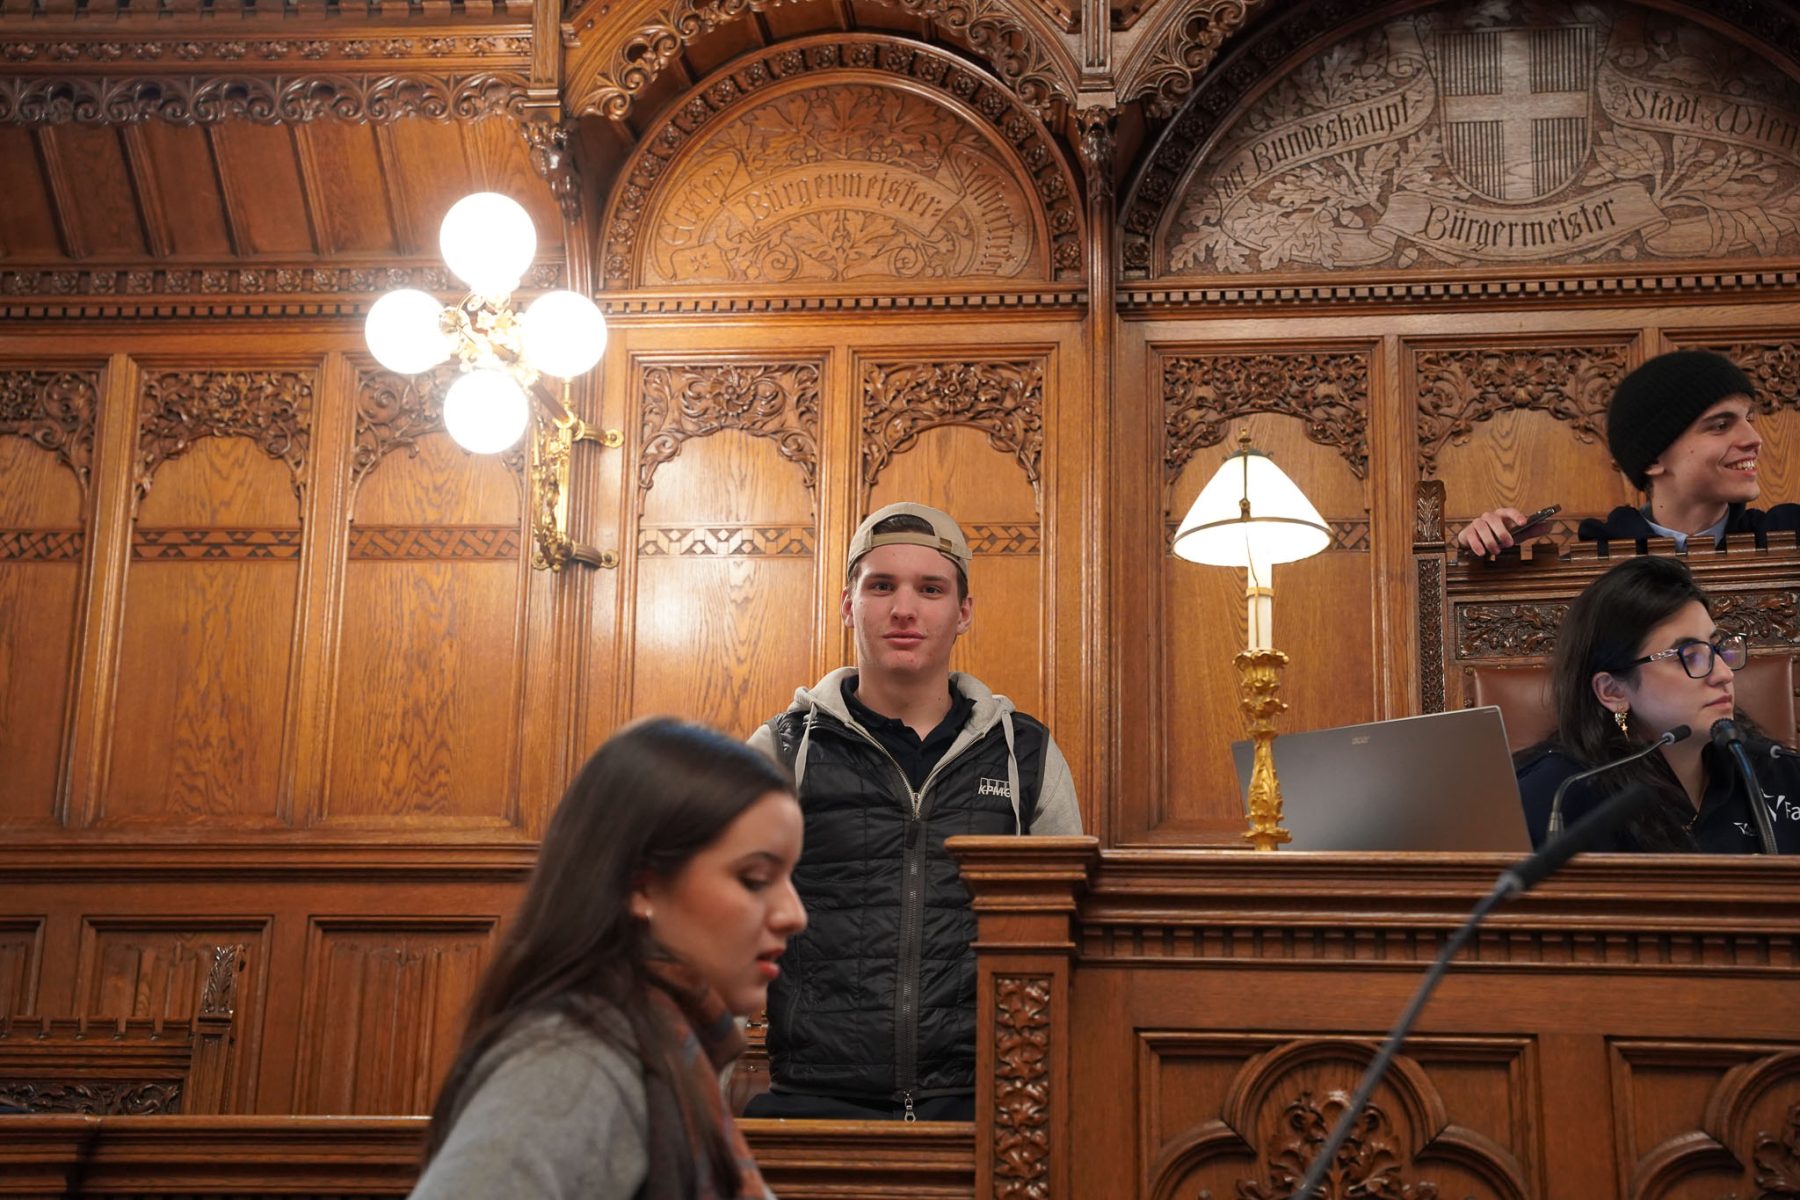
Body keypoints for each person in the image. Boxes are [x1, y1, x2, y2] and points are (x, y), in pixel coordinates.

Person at [742, 502, 1081, 1123]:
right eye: (881, 586)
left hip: (987, 1098)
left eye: (930, 589)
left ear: (963, 612)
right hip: (815, 1096)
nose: (904, 608)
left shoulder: (1024, 753)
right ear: (848, 605)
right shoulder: (784, 750)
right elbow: (724, 924)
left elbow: (1071, 932)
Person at [411, 718, 806, 1199]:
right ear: (642, 886)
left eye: (790, 879)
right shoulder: (574, 1062)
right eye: (755, 879)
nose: (794, 914)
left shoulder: (663, 1046)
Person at [1515, 556, 1800, 854]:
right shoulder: (1558, 794)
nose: (1724, 674)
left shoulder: (1777, 772)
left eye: (1716, 648)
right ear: (1612, 691)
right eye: (1688, 655)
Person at [1458, 349, 1800, 557]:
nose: (1754, 438)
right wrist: (1482, 554)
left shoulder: (1788, 537)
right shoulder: (1596, 560)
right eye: (1721, 425)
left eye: (1749, 419)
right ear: (1653, 459)